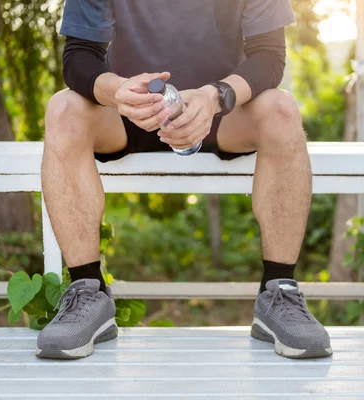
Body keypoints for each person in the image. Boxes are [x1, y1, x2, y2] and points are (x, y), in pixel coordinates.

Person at [36, 0, 332, 360]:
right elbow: (79, 56)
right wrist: (118, 92)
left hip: (221, 110)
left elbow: (269, 57)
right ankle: (87, 290)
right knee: (63, 109)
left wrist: (214, 96)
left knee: (283, 110)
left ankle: (278, 290)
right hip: (125, 112)